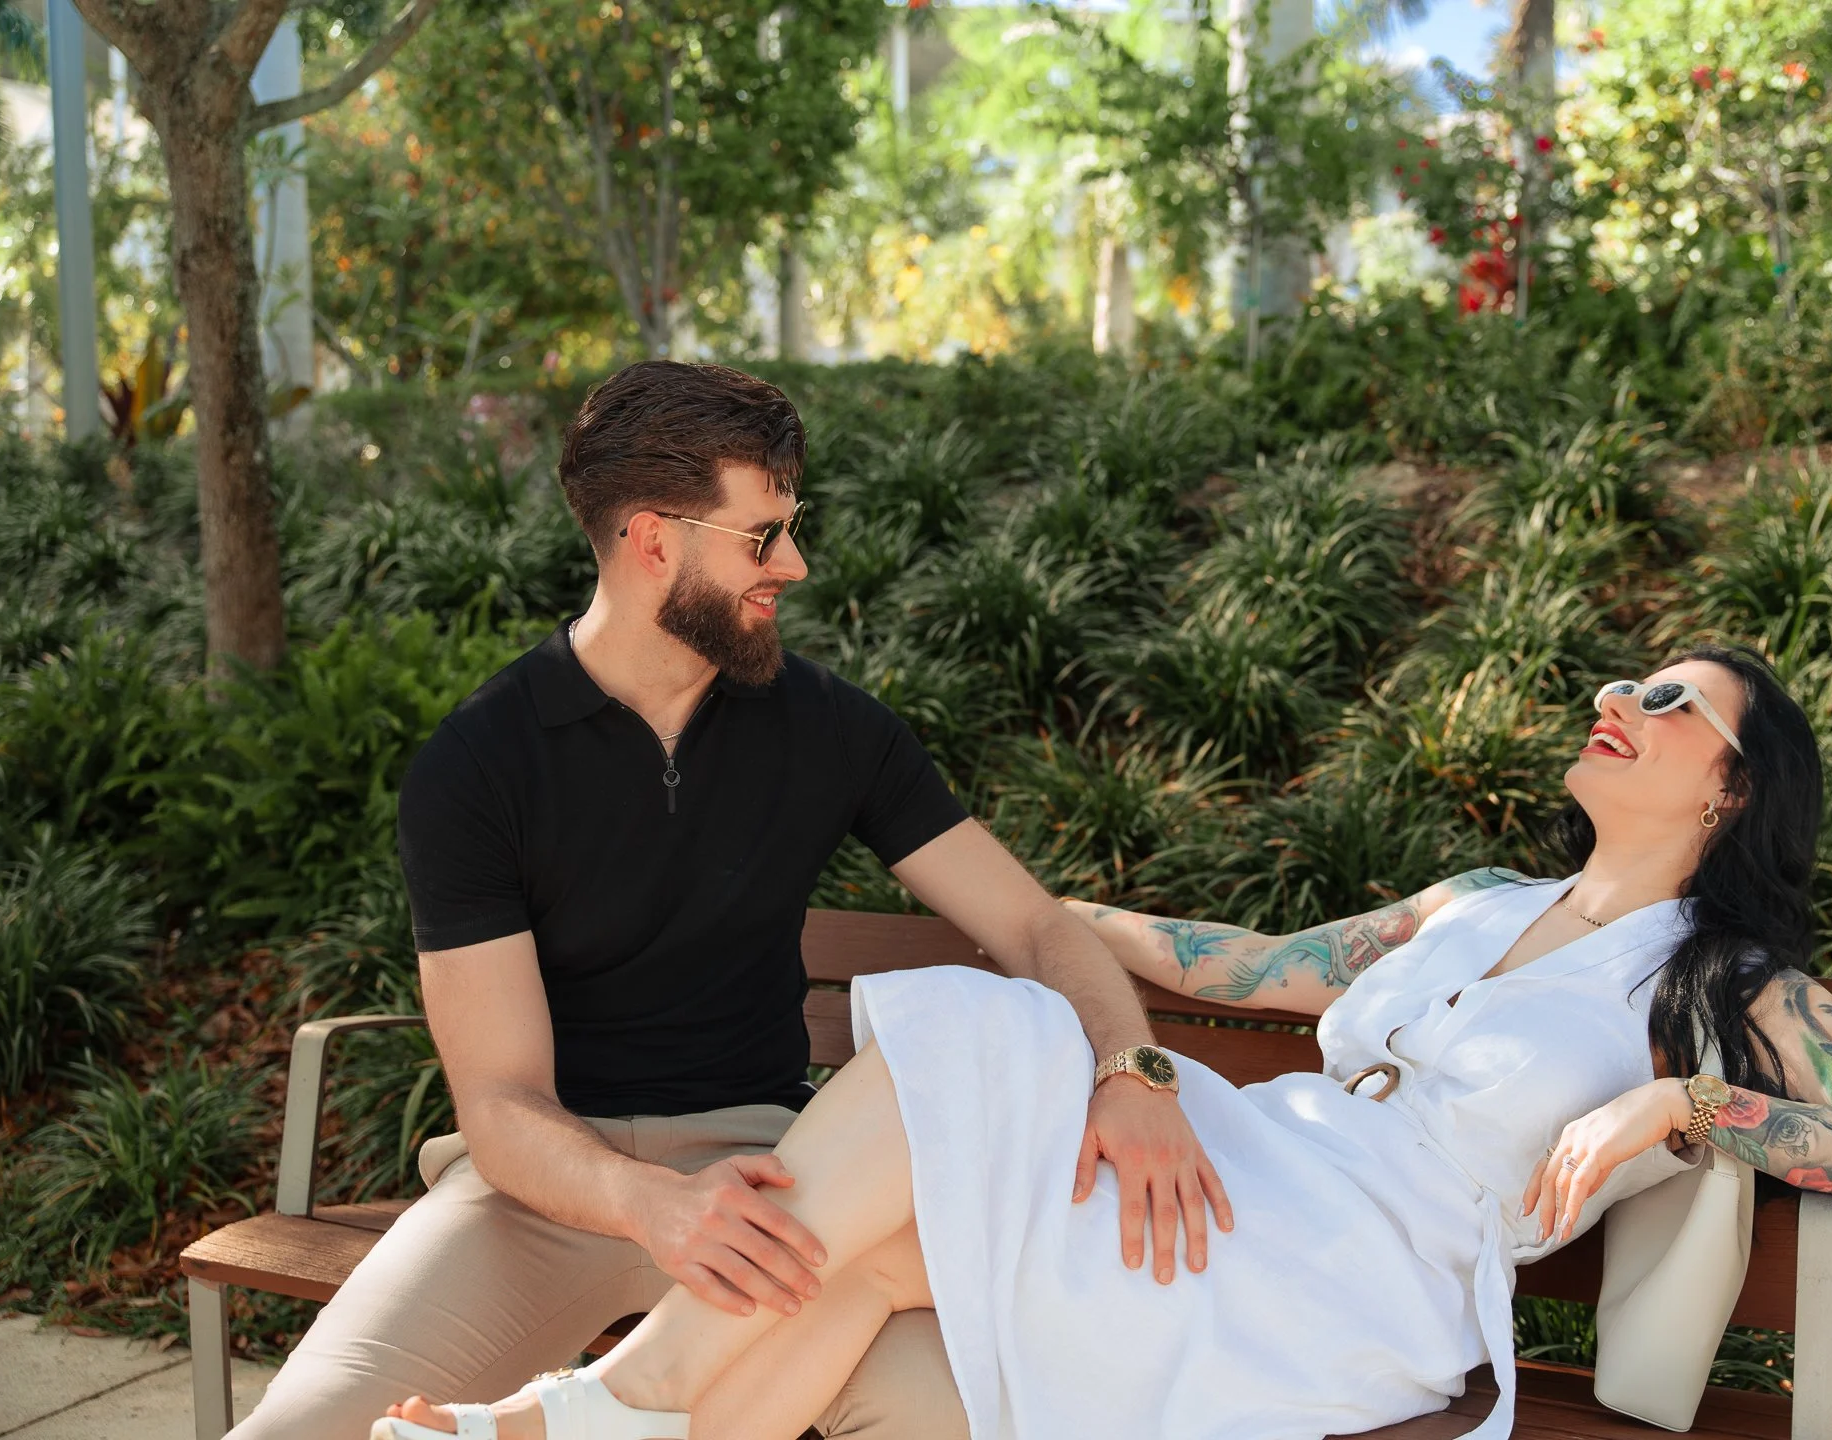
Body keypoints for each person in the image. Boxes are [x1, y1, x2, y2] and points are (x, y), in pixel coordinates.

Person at [372, 648, 1832, 1440]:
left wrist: (1689, 1106)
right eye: (1628, 679)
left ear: (1733, 789)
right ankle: (606, 1429)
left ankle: (578, 1416)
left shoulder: (1731, 986)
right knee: (869, 1262)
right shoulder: (1473, 903)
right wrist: (1028, 914)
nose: (1620, 697)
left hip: (1360, 1273)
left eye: (1672, 701)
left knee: (971, 1083)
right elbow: (1253, 967)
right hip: (1248, 1168)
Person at [234, 361, 1227, 1440]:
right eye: (762, 537)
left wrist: (1133, 1071)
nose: (793, 564)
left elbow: (1034, 925)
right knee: (302, 1434)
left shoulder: (830, 728)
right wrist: (648, 1204)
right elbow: (503, 1104)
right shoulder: (478, 767)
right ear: (653, 540)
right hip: (544, 1194)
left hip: (774, 1182)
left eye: (791, 527)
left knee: (946, 1419)